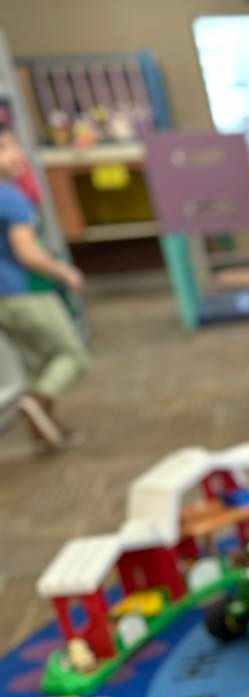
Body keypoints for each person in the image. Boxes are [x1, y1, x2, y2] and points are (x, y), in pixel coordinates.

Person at [0, 122, 89, 452]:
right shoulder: (10, 198)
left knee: (39, 364)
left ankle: (44, 432)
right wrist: (63, 271)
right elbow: (26, 251)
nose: (16, 154)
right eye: (4, 148)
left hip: (4, 301)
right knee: (72, 356)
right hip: (25, 292)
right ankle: (36, 403)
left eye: (14, 145)